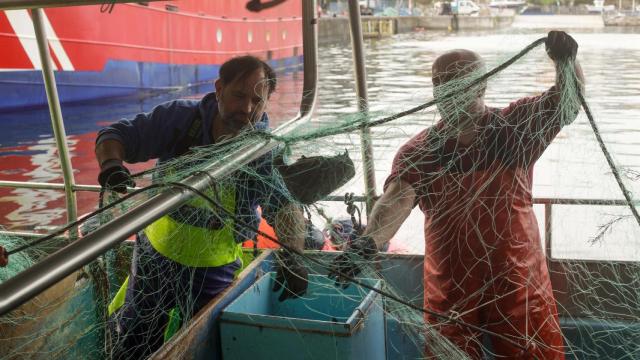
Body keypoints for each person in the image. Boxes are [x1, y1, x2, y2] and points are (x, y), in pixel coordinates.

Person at [330, 31, 584, 359]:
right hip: (451, 286)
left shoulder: (515, 126)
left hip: (519, 280)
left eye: (459, 82)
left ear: (482, 85)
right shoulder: (419, 151)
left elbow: (567, 105)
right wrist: (369, 241)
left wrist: (566, 63)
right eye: (441, 83)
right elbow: (399, 195)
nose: (449, 91)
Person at [95, 55, 308, 359]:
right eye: (238, 95)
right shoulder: (180, 120)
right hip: (156, 254)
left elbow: (284, 206)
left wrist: (295, 257)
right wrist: (112, 165)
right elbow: (115, 135)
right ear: (219, 88)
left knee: (206, 344)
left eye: (256, 101)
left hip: (214, 265)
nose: (247, 109)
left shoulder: (261, 148)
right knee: (136, 338)